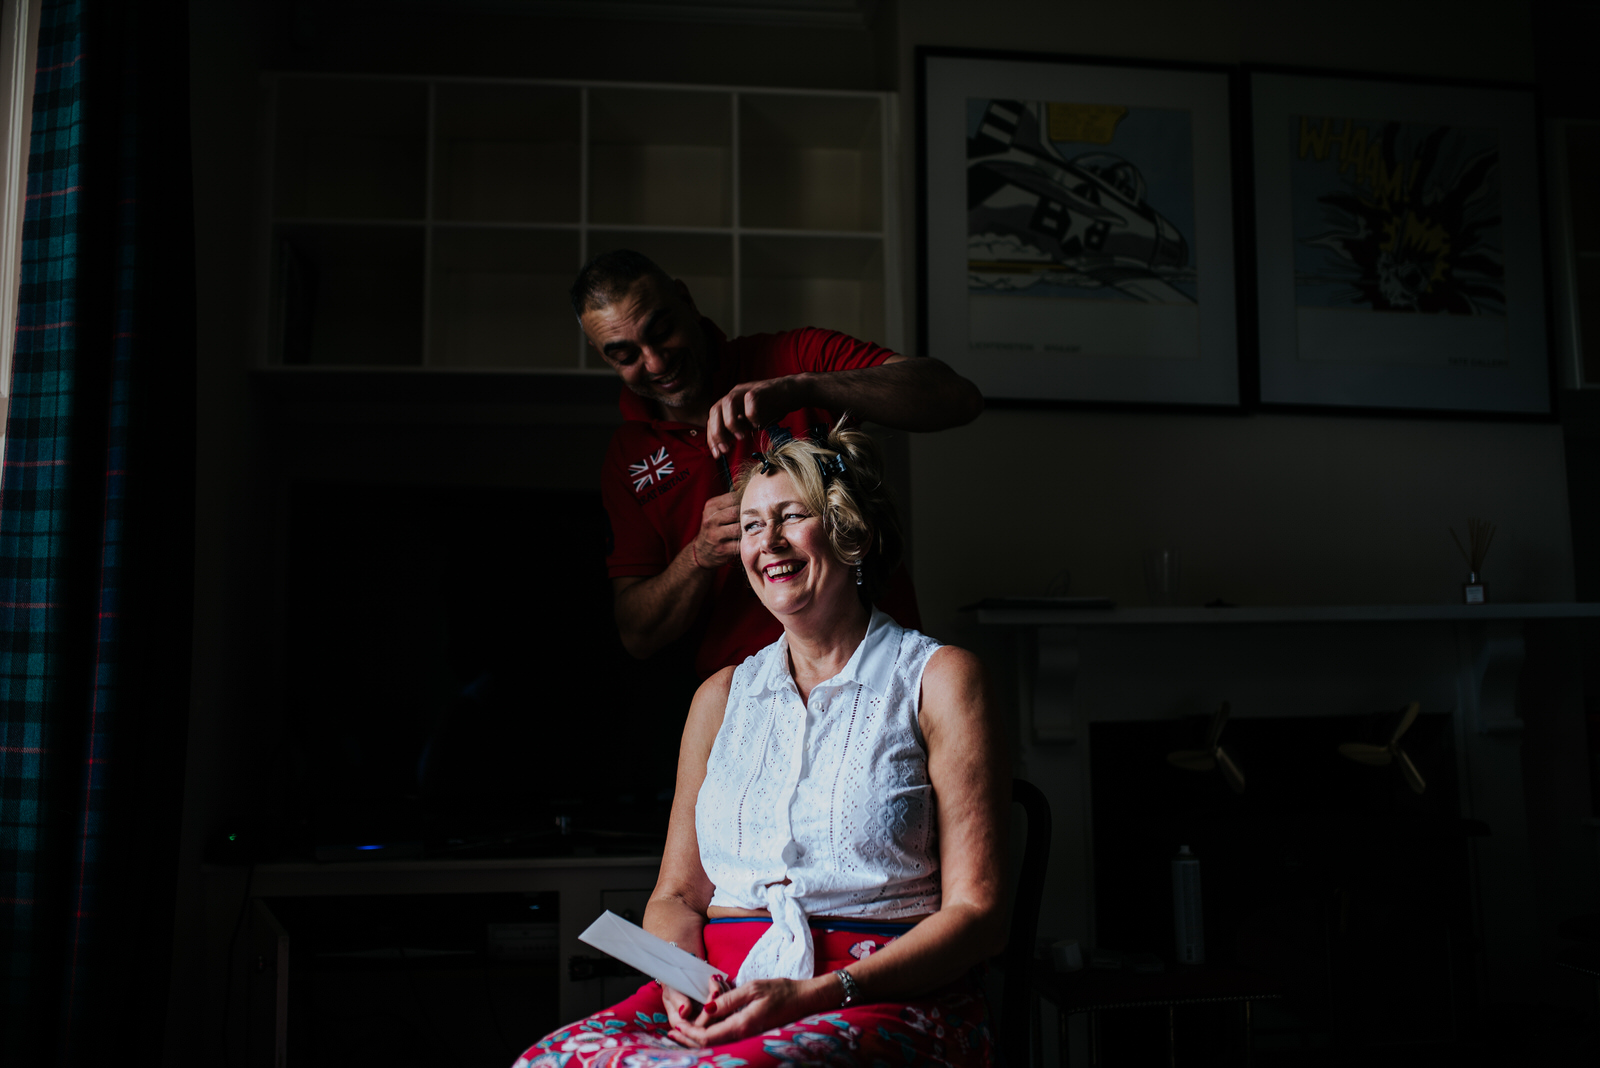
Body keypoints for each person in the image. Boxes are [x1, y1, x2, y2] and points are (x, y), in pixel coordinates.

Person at [512, 424, 1007, 1068]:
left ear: (850, 531)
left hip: (875, 993)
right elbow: (677, 898)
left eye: (791, 516)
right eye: (750, 526)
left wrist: (815, 994)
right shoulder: (719, 698)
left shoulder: (939, 680)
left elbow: (980, 912)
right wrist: (678, 982)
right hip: (720, 991)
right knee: (550, 1062)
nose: (766, 543)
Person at [575, 249, 984, 679]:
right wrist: (698, 556)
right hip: (744, 693)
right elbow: (637, 634)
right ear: (601, 354)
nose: (656, 362)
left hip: (876, 669)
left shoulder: (792, 358)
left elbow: (957, 398)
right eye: (626, 356)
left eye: (662, 331)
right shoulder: (627, 457)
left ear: (686, 300)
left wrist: (804, 388)